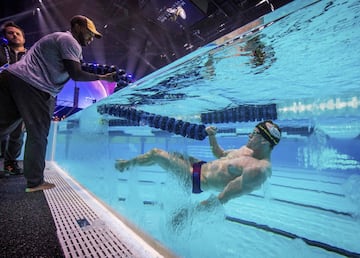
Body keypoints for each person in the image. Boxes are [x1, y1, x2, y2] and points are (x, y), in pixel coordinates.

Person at [0, 15, 117, 192]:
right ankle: (35, 182)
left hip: (13, 78)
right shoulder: (69, 40)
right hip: (34, 85)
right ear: (77, 26)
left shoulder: (60, 40)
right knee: (38, 134)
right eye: (89, 33)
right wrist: (102, 78)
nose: (91, 38)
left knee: (3, 125)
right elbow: (76, 74)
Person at [115, 120, 281, 206]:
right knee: (170, 153)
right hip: (200, 166)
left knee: (156, 154)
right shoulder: (246, 150)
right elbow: (220, 154)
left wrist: (191, 214)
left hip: (196, 181)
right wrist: (211, 136)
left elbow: (223, 198)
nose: (249, 136)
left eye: (254, 134)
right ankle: (127, 164)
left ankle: (125, 165)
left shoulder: (258, 170)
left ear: (265, 142)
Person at [0, 21, 27, 177]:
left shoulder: (31, 55)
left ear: (23, 37)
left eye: (18, 33)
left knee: (18, 134)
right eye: (10, 33)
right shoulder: (1, 52)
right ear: (5, 36)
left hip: (23, 101)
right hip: (3, 98)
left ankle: (11, 164)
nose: (15, 35)